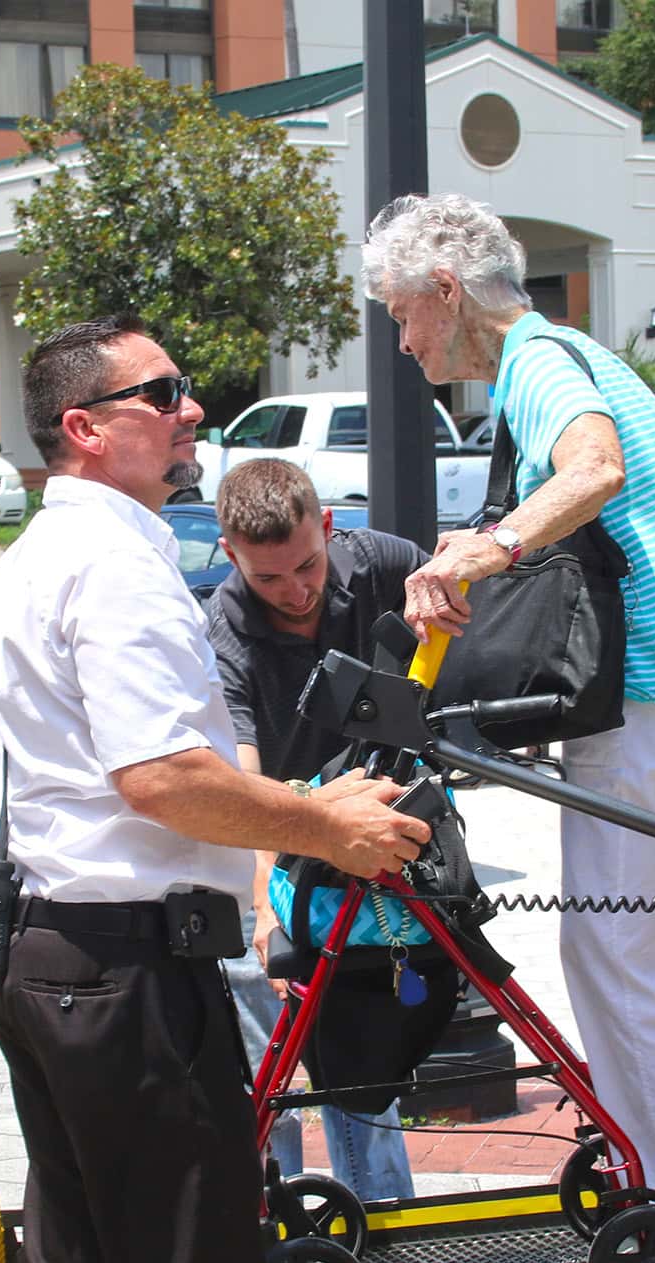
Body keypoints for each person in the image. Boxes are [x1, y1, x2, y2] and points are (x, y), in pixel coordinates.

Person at [0, 314, 431, 1263]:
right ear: (85, 427)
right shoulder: (115, 562)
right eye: (160, 392)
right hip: (125, 970)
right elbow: (162, 775)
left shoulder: (39, 555)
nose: (188, 409)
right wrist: (321, 823)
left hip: (56, 959)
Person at [360, 193, 655, 1263]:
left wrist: (482, 551)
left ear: (447, 294)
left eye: (403, 314)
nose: (403, 343)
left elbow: (593, 470)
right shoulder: (567, 350)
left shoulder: (538, 366)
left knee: (617, 955)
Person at [208, 458, 426, 1202]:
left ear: (329, 527)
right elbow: (241, 780)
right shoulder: (223, 629)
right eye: (269, 579)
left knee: (354, 1041)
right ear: (230, 552)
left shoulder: (384, 563)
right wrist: (269, 904)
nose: (296, 592)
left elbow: (459, 610)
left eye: (307, 565)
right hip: (269, 831)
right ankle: (284, 1212)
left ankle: (384, 1213)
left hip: (362, 832)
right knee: (268, 1040)